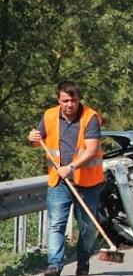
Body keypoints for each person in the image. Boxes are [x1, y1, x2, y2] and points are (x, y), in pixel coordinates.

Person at [28, 81, 104, 276]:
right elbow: (38, 142)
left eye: (74, 100)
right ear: (58, 100)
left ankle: (83, 264)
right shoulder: (49, 115)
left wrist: (70, 167)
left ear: (79, 100)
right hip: (58, 181)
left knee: (87, 228)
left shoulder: (90, 118)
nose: (70, 104)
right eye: (66, 100)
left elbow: (92, 148)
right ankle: (54, 266)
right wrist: (33, 139)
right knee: (56, 224)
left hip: (87, 183)